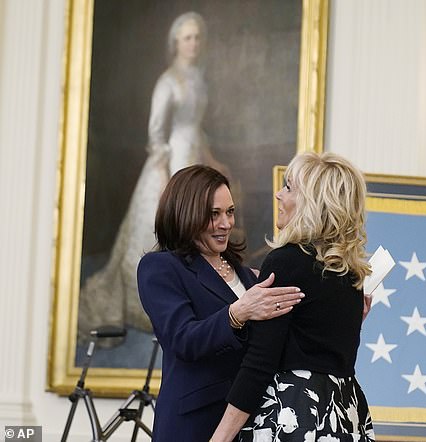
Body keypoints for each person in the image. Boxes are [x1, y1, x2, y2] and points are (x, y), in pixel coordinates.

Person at [78, 11, 228, 342]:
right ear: (176, 42)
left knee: (197, 229)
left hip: (192, 158)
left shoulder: (197, 79)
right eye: (187, 38)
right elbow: (157, 133)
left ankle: (192, 300)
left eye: (197, 37)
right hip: (169, 163)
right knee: (162, 232)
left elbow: (196, 128)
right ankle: (155, 305)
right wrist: (165, 181)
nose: (193, 43)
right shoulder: (168, 81)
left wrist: (212, 160)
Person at [211, 152, 376, 442]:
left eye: (288, 187)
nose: (278, 193)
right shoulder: (351, 271)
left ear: (311, 203)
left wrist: (219, 438)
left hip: (295, 412)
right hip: (342, 413)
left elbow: (259, 363)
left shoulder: (286, 262)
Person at [137, 165, 304, 442]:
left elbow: (274, 343)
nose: (226, 223)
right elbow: (182, 340)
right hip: (195, 425)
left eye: (230, 212)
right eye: (213, 214)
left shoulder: (245, 273)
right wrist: (238, 313)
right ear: (185, 212)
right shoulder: (159, 268)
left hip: (253, 422)